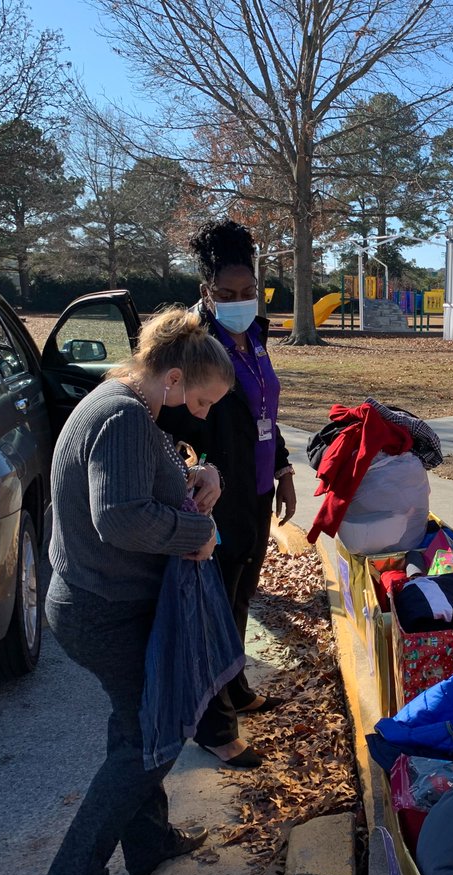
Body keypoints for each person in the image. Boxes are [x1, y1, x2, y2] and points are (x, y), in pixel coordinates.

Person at [43, 307, 234, 875]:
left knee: (137, 726)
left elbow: (140, 481)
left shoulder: (126, 404)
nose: (199, 414)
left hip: (104, 605)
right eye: (200, 402)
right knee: (151, 741)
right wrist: (194, 536)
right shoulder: (124, 414)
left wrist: (201, 474)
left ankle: (148, 844)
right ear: (173, 378)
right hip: (100, 612)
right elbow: (120, 516)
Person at [158, 218, 296, 769]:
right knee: (211, 606)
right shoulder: (195, 345)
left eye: (248, 292)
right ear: (205, 290)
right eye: (226, 294)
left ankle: (233, 686)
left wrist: (283, 467)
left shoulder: (256, 336)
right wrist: (196, 475)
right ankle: (212, 726)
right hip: (216, 495)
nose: (239, 302)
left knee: (240, 595)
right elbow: (174, 424)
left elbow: (266, 410)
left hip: (258, 488)